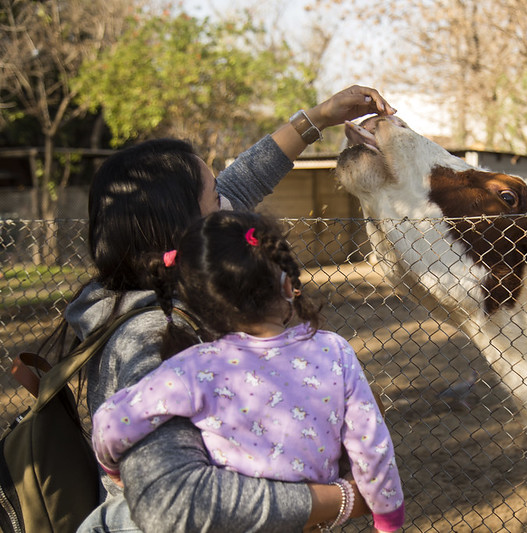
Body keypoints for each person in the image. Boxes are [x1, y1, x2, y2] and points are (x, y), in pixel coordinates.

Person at [57, 85, 397, 533]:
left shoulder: (163, 289)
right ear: (186, 227)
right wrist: (345, 499)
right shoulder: (154, 338)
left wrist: (319, 117)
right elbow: (174, 504)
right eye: (216, 197)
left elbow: (242, 181)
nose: (230, 204)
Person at [92, 210, 405, 532]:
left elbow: (111, 422)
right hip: (310, 521)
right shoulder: (334, 350)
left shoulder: (192, 367)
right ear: (287, 284)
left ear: (200, 305)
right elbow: (370, 442)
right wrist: (388, 518)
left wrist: (112, 468)